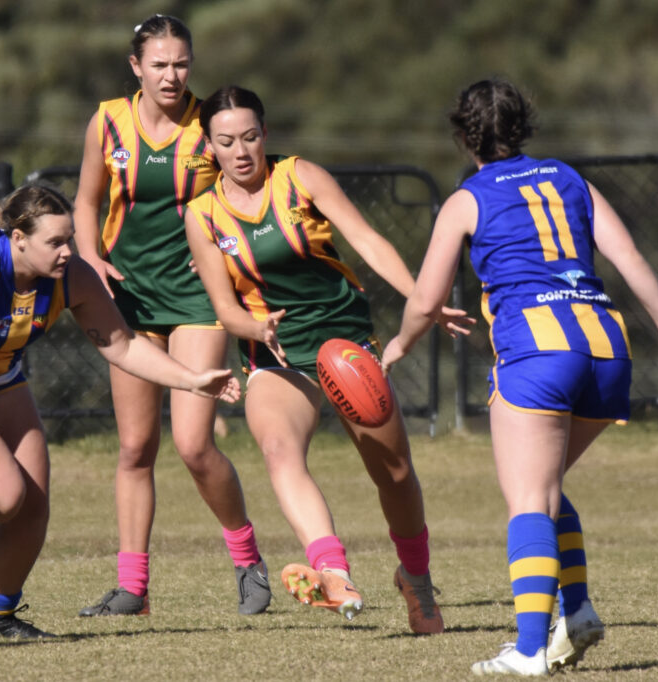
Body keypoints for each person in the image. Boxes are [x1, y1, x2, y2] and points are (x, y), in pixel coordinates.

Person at [382, 78, 658, 675]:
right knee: (545, 485)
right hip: (605, 345)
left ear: (464, 136)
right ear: (523, 127)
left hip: (539, 347)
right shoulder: (569, 178)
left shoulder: (467, 197)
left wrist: (402, 343)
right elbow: (629, 255)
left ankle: (531, 649)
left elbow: (425, 298)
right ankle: (579, 610)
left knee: (529, 499)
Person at [0, 184, 241, 639]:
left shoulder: (73, 277)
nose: (68, 251)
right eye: (55, 242)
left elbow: (124, 347)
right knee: (3, 496)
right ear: (18, 240)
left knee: (32, 503)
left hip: (0, 379)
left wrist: (191, 379)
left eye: (69, 238)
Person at [184, 85, 475, 634]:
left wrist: (424, 300)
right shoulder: (202, 216)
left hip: (345, 346)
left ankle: (415, 578)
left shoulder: (300, 177)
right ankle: (332, 572)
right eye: (226, 141)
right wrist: (256, 326)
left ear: (265, 134)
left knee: (394, 473)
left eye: (250, 136)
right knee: (278, 449)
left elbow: (367, 241)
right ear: (210, 147)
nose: (241, 150)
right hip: (274, 354)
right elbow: (224, 308)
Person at [71, 14, 270, 619]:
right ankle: (133, 589)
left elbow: (252, 187)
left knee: (192, 443)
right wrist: (90, 259)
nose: (171, 75)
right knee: (135, 447)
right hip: (127, 302)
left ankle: (247, 560)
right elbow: (85, 200)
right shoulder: (108, 120)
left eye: (181, 63)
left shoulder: (209, 124)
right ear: (136, 67)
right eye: (158, 64)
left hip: (194, 303)